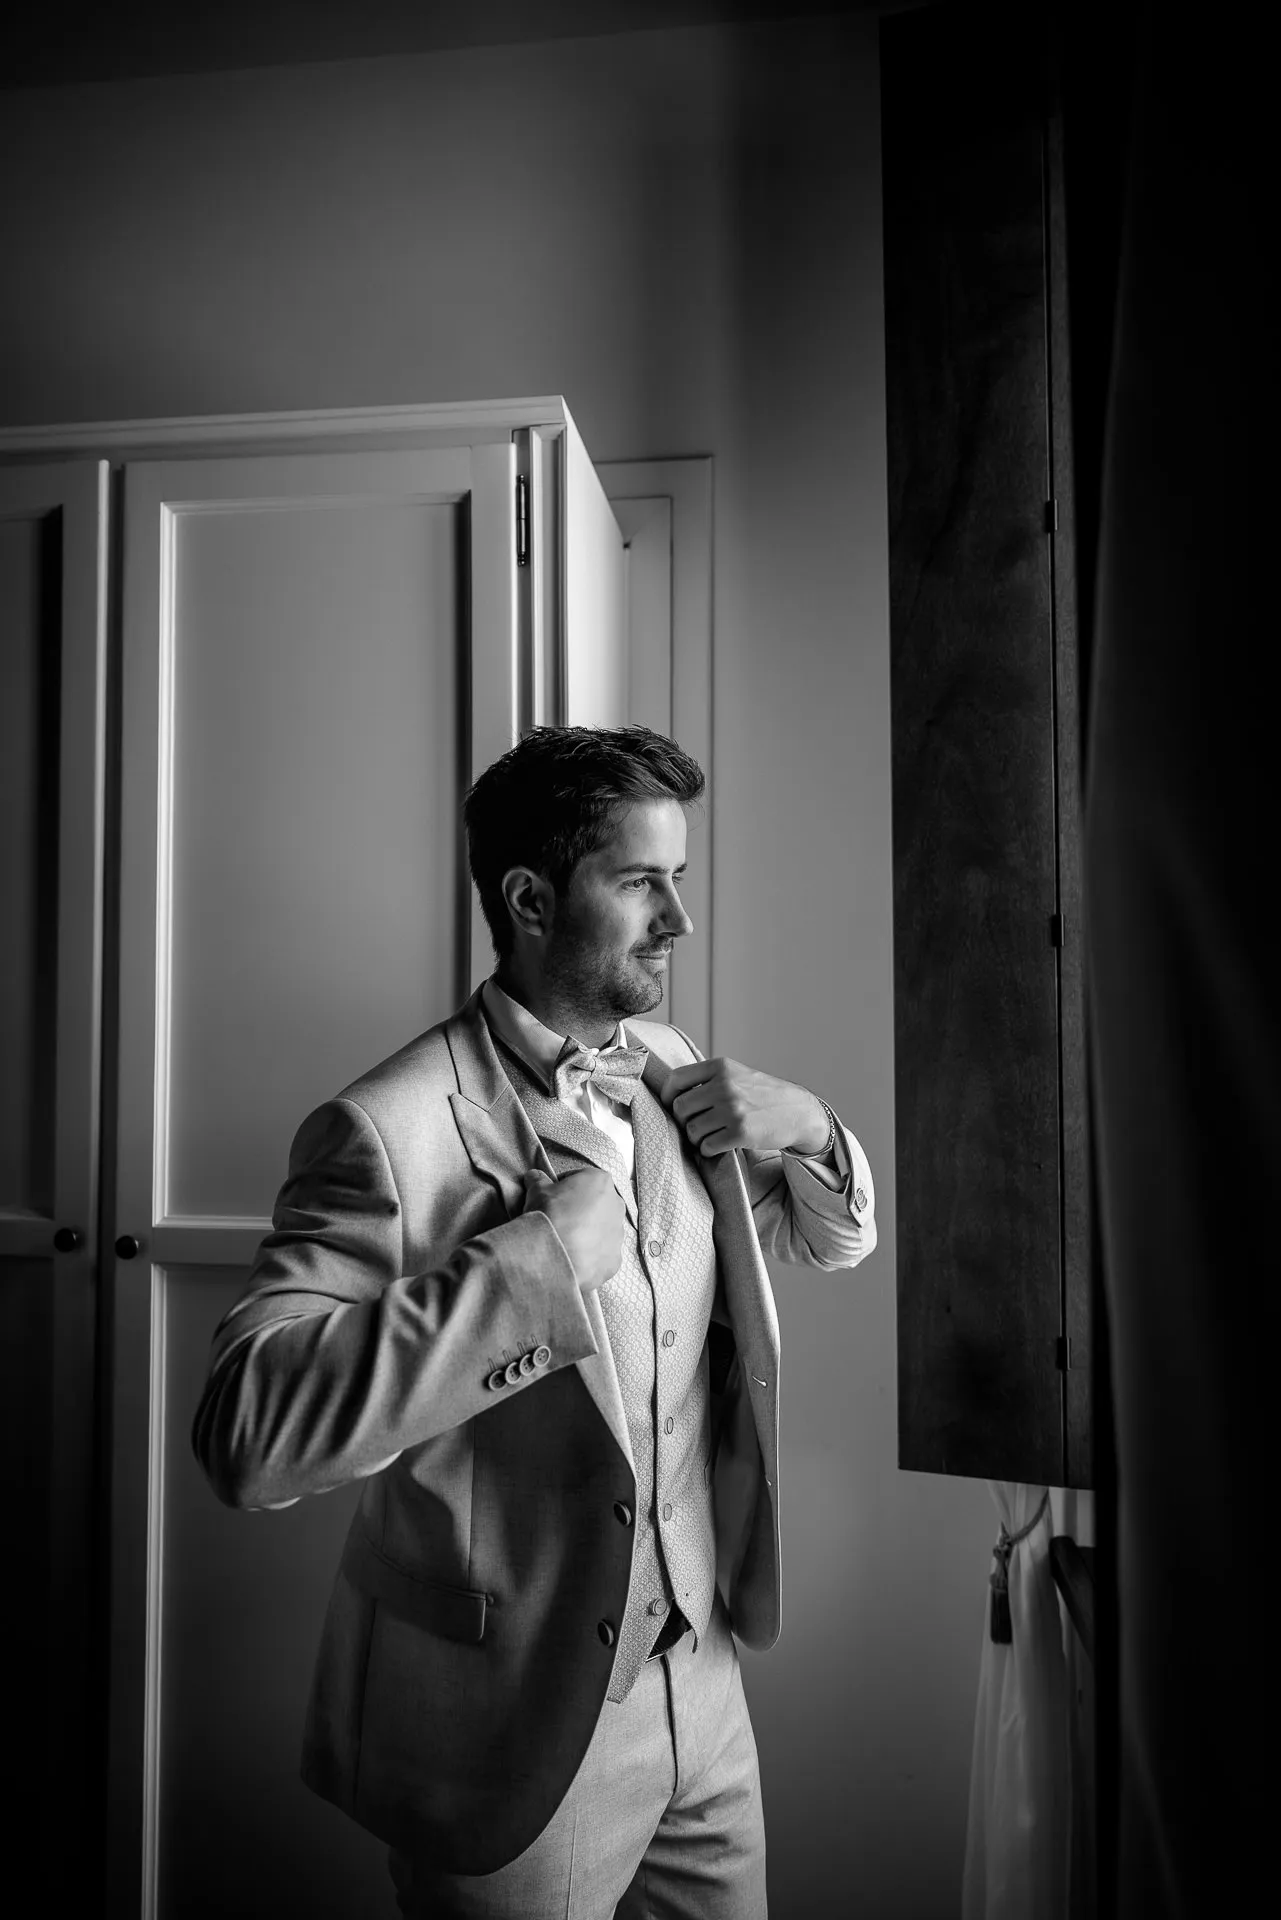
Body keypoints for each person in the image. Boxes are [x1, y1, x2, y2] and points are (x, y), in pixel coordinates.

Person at [192, 724, 876, 1918]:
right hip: (512, 1730)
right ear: (530, 899)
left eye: (680, 878)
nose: (680, 919)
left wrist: (813, 1127)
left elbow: (832, 1239)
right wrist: (530, 1272)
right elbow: (248, 1436)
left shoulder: (665, 1062)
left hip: (704, 1691)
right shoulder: (385, 1130)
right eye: (643, 882)